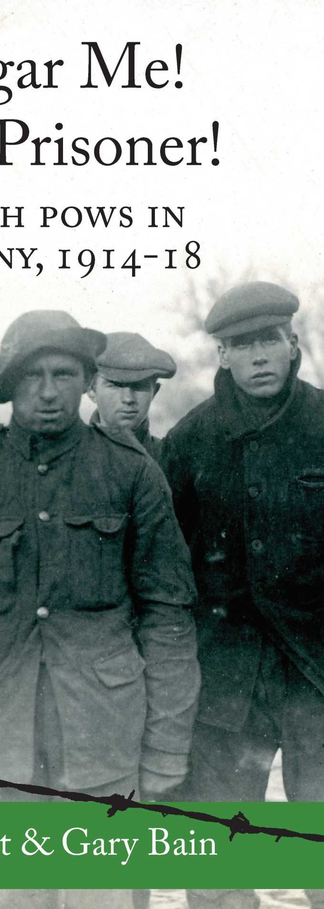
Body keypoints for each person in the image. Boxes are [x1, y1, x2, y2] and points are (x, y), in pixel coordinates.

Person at [0, 310, 200, 909]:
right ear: (8, 383)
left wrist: (167, 744)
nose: (48, 391)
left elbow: (167, 619)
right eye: (32, 375)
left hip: (103, 733)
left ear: (88, 380)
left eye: (64, 374)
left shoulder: (130, 471)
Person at [161, 282, 324, 909]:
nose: (258, 356)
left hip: (314, 669)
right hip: (226, 673)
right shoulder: (191, 441)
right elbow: (167, 565)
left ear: (292, 344)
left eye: (269, 341)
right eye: (242, 345)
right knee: (218, 851)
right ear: (223, 356)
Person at [88, 332, 176, 461]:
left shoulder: (172, 461)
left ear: (154, 392)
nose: (128, 399)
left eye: (138, 385)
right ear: (91, 390)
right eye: (115, 385)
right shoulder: (66, 459)